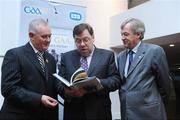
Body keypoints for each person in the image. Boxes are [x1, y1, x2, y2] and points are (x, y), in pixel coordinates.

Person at [0, 18, 62, 120]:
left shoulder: (50, 58)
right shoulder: (15, 55)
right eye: (44, 37)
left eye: (49, 36)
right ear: (31, 35)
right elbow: (9, 89)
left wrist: (69, 90)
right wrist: (39, 99)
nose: (48, 40)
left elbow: (51, 86)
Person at [58, 23, 121, 120]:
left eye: (85, 39)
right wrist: (68, 93)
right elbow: (59, 83)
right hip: (74, 112)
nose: (82, 44)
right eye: (78, 41)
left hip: (99, 112)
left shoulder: (107, 55)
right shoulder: (66, 57)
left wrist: (99, 82)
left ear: (93, 38)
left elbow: (115, 81)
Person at [116, 18, 171, 120]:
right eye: (122, 34)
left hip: (149, 113)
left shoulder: (154, 51)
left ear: (138, 34)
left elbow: (165, 83)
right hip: (127, 113)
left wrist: (156, 102)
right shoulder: (120, 57)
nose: (122, 37)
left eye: (126, 34)